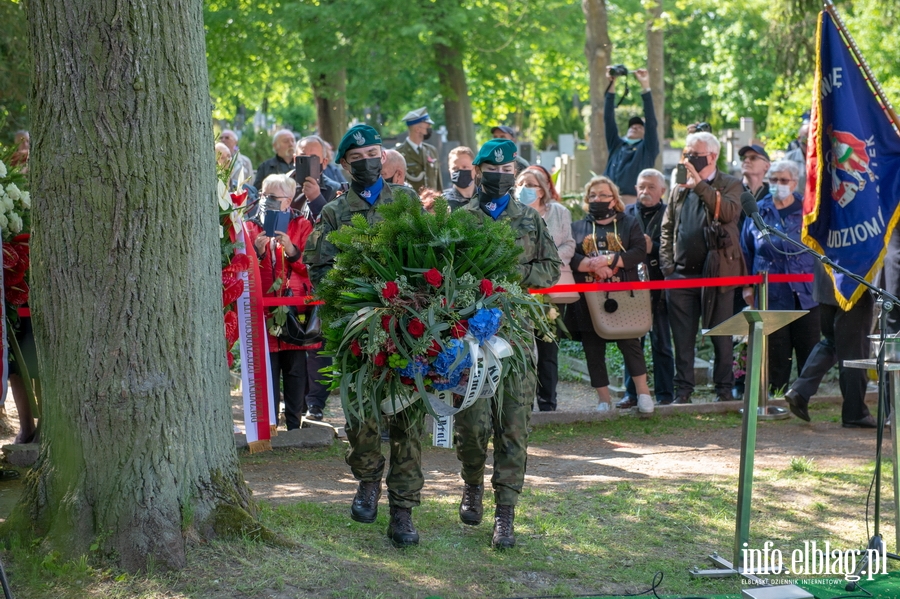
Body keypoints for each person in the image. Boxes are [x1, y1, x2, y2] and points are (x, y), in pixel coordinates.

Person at [304, 124, 426, 547]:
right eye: (357, 159)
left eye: (373, 154)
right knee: (362, 414)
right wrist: (345, 300)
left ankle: (404, 511)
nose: (367, 162)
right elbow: (317, 266)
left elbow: (430, 254)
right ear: (344, 166)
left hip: (408, 327)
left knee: (410, 418)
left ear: (384, 157)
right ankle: (369, 481)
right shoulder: (335, 212)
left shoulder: (407, 202)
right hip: (358, 329)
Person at [454, 139, 560, 550]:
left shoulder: (529, 221)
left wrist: (508, 271)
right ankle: (471, 485)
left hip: (515, 336)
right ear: (478, 172)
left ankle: (506, 513)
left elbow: (550, 268)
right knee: (472, 422)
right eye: (492, 169)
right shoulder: (459, 221)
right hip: (468, 337)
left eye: (508, 169)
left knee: (513, 424)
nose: (500, 175)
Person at [659, 131, 746, 404]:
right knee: (682, 338)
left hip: (719, 275)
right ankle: (683, 391)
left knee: (721, 335)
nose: (689, 159)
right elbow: (667, 228)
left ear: (712, 156)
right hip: (681, 276)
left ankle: (724, 390)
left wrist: (700, 185)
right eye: (686, 154)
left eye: (694, 154)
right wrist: (667, 266)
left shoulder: (731, 184)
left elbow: (729, 213)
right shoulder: (678, 189)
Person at [564, 176, 653, 414]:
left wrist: (610, 260)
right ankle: (604, 400)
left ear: (614, 199)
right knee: (593, 348)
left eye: (603, 195)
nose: (598, 199)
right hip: (589, 298)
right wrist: (593, 266)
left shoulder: (629, 223)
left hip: (624, 294)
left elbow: (638, 251)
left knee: (630, 344)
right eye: (592, 195)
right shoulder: (577, 227)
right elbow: (570, 256)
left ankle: (643, 395)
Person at [245, 174, 319, 431]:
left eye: (274, 197)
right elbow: (245, 271)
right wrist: (258, 252)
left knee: (296, 369)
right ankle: (270, 425)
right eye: (265, 196)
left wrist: (292, 252)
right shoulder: (251, 226)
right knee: (268, 369)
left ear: (289, 201)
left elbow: (312, 268)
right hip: (263, 308)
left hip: (295, 308)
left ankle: (294, 424)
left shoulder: (302, 225)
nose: (268, 201)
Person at [740, 160, 819, 395]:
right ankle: (776, 394)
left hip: (806, 292)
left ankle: (803, 396)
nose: (778, 185)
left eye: (784, 180)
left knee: (809, 348)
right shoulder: (758, 210)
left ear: (795, 183)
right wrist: (747, 287)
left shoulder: (807, 209)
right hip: (771, 293)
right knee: (777, 350)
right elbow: (745, 251)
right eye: (773, 180)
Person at [783, 264, 875, 428]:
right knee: (854, 352)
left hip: (826, 283)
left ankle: (800, 391)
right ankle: (855, 414)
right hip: (852, 285)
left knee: (832, 341)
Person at [514, 165, 575, 412]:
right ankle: (522, 404)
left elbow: (569, 244)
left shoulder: (559, 212)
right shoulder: (512, 214)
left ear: (542, 190)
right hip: (521, 288)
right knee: (522, 348)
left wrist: (549, 263)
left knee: (548, 348)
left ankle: (548, 403)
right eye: (520, 184)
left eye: (529, 185)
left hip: (552, 288)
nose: (523, 189)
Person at [620, 168, 675, 406]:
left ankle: (665, 394)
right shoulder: (626, 213)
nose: (645, 191)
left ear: (662, 190)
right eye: (641, 186)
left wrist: (653, 248)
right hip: (631, 287)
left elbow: (675, 244)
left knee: (661, 342)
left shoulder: (670, 213)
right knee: (632, 342)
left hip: (660, 285)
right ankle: (631, 393)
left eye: (651, 187)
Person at [603, 68, 659, 204]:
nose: (635, 127)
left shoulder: (647, 149)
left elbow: (651, 122)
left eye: (640, 127)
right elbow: (608, 119)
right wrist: (612, 84)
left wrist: (645, 86)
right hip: (609, 204)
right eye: (632, 126)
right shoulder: (617, 145)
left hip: (633, 207)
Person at [396, 107, 442, 193]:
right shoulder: (398, 153)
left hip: (433, 204)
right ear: (417, 129)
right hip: (412, 204)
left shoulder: (432, 151)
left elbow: (438, 183)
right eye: (427, 126)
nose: (430, 128)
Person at [296, 135, 342, 218]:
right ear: (294, 159)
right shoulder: (283, 186)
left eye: (313, 158)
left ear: (324, 162)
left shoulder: (334, 190)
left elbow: (334, 227)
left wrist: (316, 199)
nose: (308, 162)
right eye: (303, 157)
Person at [441, 146, 477, 211]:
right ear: (449, 171)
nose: (460, 171)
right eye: (455, 168)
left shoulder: (486, 200)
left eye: (465, 167)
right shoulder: (443, 202)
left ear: (475, 169)